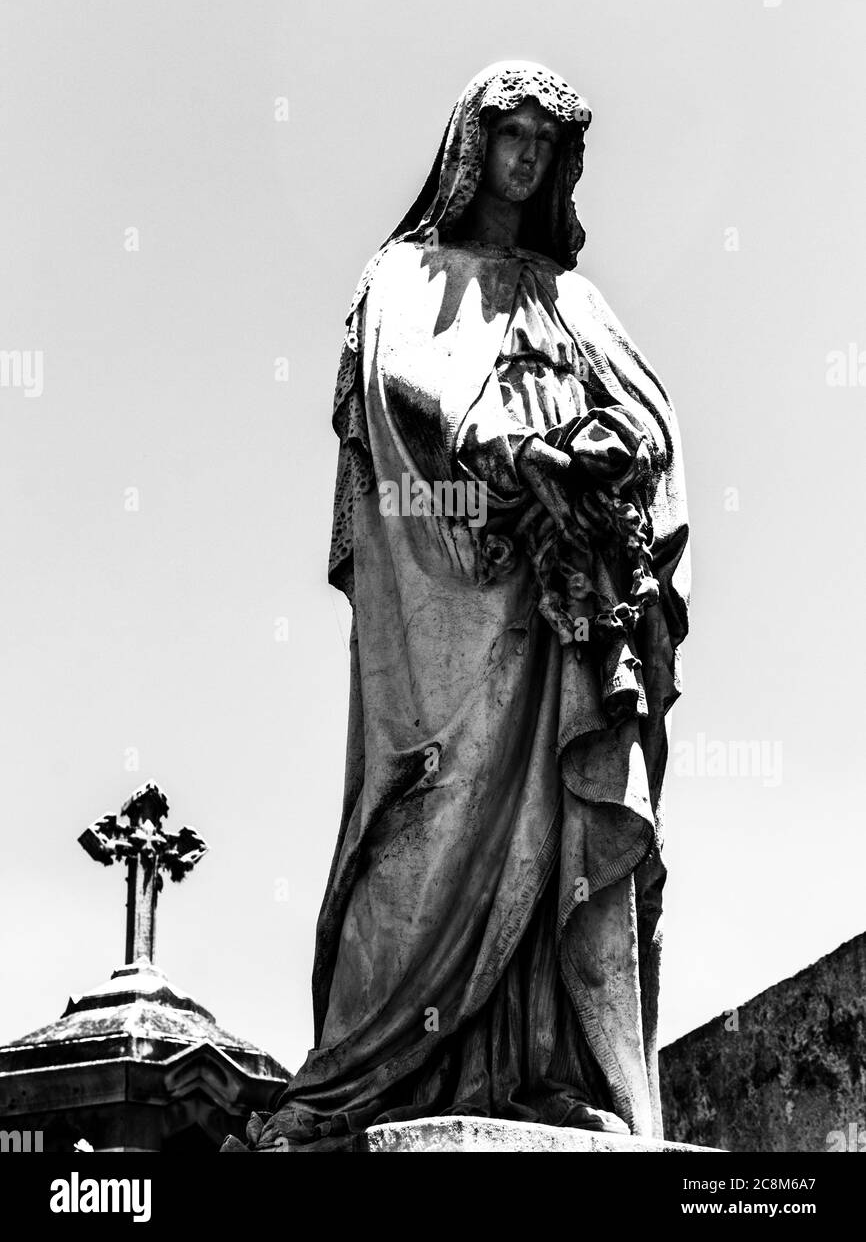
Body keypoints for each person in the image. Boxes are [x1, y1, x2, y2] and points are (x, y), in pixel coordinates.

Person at [227, 60, 690, 1153]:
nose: (525, 157)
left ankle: (538, 1069)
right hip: (455, 583)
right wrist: (508, 446)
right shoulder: (406, 270)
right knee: (428, 813)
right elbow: (402, 384)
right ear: (470, 142)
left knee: (559, 815)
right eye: (509, 132)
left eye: (545, 139)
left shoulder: (569, 294)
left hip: (561, 594)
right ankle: (363, 1072)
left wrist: (609, 459)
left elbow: (651, 414)